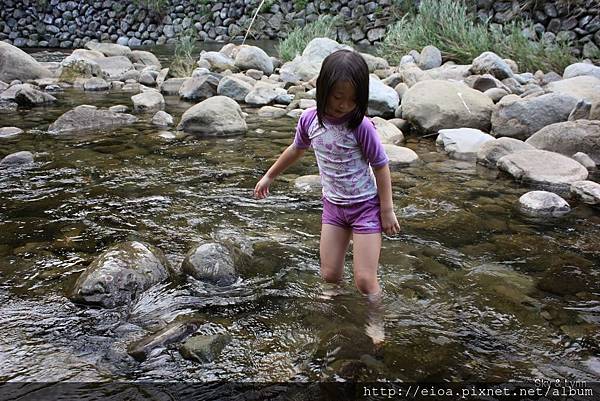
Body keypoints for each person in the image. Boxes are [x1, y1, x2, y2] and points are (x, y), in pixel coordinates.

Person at [254, 49, 400, 308]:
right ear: (323, 89)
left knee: (365, 280)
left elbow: (381, 166)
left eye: (352, 99)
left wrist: (386, 210)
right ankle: (333, 312)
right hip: (333, 208)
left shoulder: (361, 127)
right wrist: (269, 176)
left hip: (365, 208)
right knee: (329, 275)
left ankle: (375, 320)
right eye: (337, 96)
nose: (343, 105)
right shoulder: (310, 120)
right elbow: (296, 149)